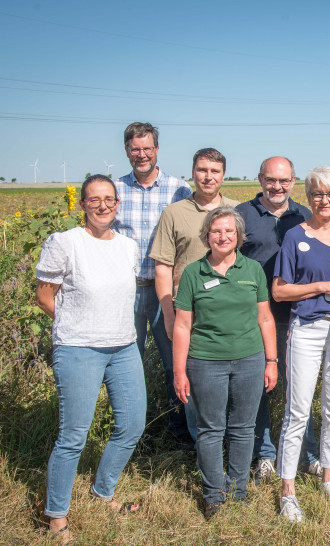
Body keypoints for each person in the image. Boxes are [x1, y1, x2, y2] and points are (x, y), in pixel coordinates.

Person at [36, 175, 146, 544]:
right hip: (78, 349)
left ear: (118, 204)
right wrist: (74, 327)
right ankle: (57, 515)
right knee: (74, 437)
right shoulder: (65, 242)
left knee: (131, 425)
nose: (103, 205)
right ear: (82, 204)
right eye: (94, 199)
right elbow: (44, 295)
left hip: (124, 347)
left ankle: (102, 493)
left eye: (109, 199)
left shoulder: (128, 247)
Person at [172, 207, 277, 519]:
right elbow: (181, 326)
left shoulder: (253, 270)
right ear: (207, 236)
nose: (223, 236)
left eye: (229, 231)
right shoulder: (194, 273)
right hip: (205, 362)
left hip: (250, 359)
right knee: (210, 429)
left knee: (244, 428)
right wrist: (180, 370)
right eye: (216, 231)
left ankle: (238, 490)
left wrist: (271, 361)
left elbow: (265, 318)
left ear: (239, 237)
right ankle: (213, 495)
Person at [272, 166, 330, 522]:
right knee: (298, 411)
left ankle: (329, 477)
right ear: (308, 198)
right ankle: (288, 491)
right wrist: (322, 286)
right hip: (307, 329)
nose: (325, 200)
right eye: (318, 194)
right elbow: (279, 290)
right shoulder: (296, 236)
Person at [235, 156, 322, 482]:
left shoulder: (303, 216)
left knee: (298, 389)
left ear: (293, 181)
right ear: (260, 179)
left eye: (284, 181)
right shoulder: (243, 215)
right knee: (260, 389)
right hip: (254, 318)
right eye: (271, 180)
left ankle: (308, 454)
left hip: (298, 316)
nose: (277, 187)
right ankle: (265, 455)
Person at [149, 148, 238, 441]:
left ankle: (227, 446)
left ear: (223, 175)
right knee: (193, 384)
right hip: (188, 312)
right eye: (202, 170)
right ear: (193, 172)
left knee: (231, 383)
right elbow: (163, 267)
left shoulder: (238, 210)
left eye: (214, 171)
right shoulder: (174, 213)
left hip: (231, 313)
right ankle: (201, 447)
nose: (208, 177)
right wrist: (168, 314)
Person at [113, 122, 193, 447]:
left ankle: (178, 433)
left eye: (147, 148)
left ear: (157, 150)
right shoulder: (114, 190)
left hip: (165, 292)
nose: (141, 155)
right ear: (127, 151)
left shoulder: (179, 189)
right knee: (123, 364)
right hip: (126, 291)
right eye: (135, 149)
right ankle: (129, 434)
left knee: (174, 360)